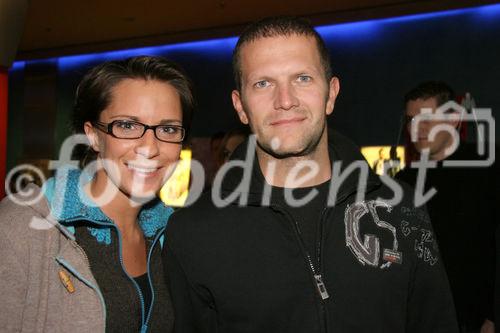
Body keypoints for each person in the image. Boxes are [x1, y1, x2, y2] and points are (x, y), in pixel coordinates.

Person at [163, 17, 458, 333]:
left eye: (302, 78)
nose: (285, 101)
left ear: (331, 94)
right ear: (241, 106)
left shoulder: (403, 207)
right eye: (263, 83)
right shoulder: (193, 232)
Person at [0, 56, 194, 332]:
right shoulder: (23, 224)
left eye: (168, 129)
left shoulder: (174, 235)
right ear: (92, 136)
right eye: (127, 125)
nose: (149, 148)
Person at [396, 81, 497, 333]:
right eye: (411, 120)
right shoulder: (403, 182)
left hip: (477, 319)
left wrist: (493, 316)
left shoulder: (488, 168)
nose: (418, 128)